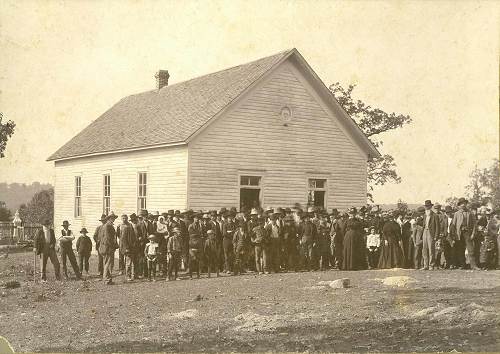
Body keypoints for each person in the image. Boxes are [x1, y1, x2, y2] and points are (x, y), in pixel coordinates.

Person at [451, 198, 478, 270]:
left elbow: (474, 225)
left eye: (464, 203)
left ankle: (473, 265)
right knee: (460, 250)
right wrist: (454, 235)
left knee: (471, 249)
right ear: (459, 206)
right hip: (459, 234)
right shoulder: (456, 214)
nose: (463, 205)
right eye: (461, 204)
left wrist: (473, 234)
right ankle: (463, 265)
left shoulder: (470, 213)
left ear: (466, 204)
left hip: (468, 233)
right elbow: (453, 225)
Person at [98, 212, 118, 284]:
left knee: (106, 263)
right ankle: (106, 280)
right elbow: (107, 238)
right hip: (107, 248)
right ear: (109, 218)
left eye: (114, 218)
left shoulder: (106, 225)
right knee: (107, 264)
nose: (113, 219)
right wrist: (112, 246)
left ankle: (107, 279)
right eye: (112, 218)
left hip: (105, 247)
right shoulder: (107, 226)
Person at [117, 214, 138, 281]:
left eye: (125, 218)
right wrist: (126, 247)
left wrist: (134, 244)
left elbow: (134, 237)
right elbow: (122, 238)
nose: (124, 219)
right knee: (127, 262)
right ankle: (128, 275)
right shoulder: (124, 228)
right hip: (126, 247)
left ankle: (134, 275)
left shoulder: (131, 226)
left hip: (132, 247)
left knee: (133, 262)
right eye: (123, 218)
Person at [421, 200, 440, 270]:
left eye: (428, 206)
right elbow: (423, 225)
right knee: (424, 249)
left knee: (431, 249)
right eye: (426, 206)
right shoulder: (425, 215)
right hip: (424, 232)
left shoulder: (435, 215)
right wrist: (422, 234)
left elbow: (438, 227)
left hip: (431, 233)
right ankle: (425, 265)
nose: (427, 207)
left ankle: (431, 265)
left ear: (431, 206)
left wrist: (436, 236)